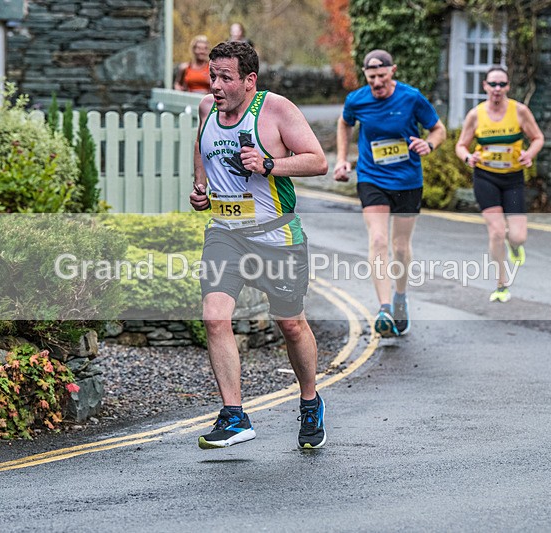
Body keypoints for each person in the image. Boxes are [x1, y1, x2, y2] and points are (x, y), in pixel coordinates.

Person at [189, 41, 329, 449]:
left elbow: (317, 160)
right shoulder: (205, 110)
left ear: (249, 81)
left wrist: (270, 164)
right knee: (215, 317)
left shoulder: (277, 109)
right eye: (212, 76)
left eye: (225, 78)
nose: (215, 85)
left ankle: (309, 400)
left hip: (276, 236)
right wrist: (200, 188)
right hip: (225, 234)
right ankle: (234, 416)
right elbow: (202, 150)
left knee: (290, 323)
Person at [334, 49, 446, 337]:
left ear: (392, 71)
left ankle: (399, 297)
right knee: (379, 239)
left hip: (408, 179)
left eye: (382, 77)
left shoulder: (411, 97)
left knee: (401, 246)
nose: (377, 83)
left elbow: (438, 129)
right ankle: (383, 308)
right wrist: (342, 158)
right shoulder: (357, 100)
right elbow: (344, 122)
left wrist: (428, 145)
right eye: (372, 78)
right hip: (372, 177)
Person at [455, 66, 545, 303]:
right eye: (492, 84)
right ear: (484, 86)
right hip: (486, 177)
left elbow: (537, 138)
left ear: (508, 87)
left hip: (513, 179)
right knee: (496, 231)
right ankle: (501, 284)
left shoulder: (519, 111)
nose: (497, 89)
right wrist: (468, 158)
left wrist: (530, 154)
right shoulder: (475, 115)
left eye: (501, 84)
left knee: (518, 236)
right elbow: (461, 145)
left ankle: (515, 247)